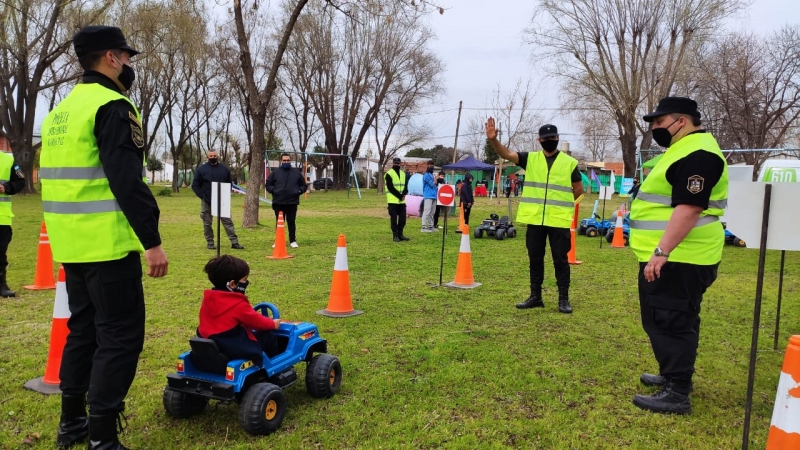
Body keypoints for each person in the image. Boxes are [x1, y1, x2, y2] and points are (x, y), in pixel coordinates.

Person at [39, 25, 169, 449]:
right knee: (120, 339)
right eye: (127, 57)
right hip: (109, 247)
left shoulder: (61, 112)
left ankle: (72, 425)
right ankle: (102, 438)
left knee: (84, 332)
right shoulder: (112, 105)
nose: (129, 65)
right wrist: (151, 241)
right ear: (111, 57)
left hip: (71, 245)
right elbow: (127, 180)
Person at [629, 97, 728, 415]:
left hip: (681, 256)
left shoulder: (699, 153)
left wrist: (662, 251)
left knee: (670, 320)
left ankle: (677, 392)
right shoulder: (684, 150)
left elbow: (690, 208)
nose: (656, 128)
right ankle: (673, 374)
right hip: (677, 255)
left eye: (659, 122)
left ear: (681, 121)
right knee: (668, 317)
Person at [485, 120, 583, 314]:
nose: (549, 141)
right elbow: (506, 154)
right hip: (535, 220)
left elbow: (578, 189)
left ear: (557, 138)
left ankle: (563, 299)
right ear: (539, 140)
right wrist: (494, 140)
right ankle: (535, 296)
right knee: (535, 259)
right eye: (546, 138)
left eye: (553, 138)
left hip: (558, 220)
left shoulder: (570, 163)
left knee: (561, 260)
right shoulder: (530, 158)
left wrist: (561, 205)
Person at [198, 255, 282, 366]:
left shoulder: (209, 299)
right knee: (268, 336)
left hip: (213, 343)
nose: (246, 283)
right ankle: (273, 366)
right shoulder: (238, 304)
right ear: (232, 284)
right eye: (244, 280)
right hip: (233, 346)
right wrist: (272, 323)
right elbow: (256, 321)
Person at [192, 151, 244, 250]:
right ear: (207, 157)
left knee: (227, 221)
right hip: (207, 200)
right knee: (207, 222)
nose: (213, 157)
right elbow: (195, 185)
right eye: (211, 156)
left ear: (217, 157)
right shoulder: (201, 169)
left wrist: (226, 194)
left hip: (222, 200)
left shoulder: (224, 169)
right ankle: (210, 243)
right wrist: (202, 196)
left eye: (215, 156)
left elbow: (229, 183)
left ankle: (234, 242)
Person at [265, 153, 308, 248]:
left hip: (292, 202)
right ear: (281, 161)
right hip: (278, 202)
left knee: (291, 221)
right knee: (279, 222)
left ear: (290, 161)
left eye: (288, 160)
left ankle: (292, 240)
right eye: (284, 160)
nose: (286, 162)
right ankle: (278, 241)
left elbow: (304, 185)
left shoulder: (296, 173)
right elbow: (268, 184)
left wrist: (299, 191)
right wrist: (274, 191)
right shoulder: (275, 173)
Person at [0, 152, 24, 298]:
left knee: (0, 252)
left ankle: (1, 284)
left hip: (1, 217)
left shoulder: (8, 160)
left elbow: (20, 181)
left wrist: (5, 187)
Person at [385, 157, 410, 242]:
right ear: (393, 163)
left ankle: (401, 234)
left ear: (400, 164)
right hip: (393, 201)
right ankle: (395, 235)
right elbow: (390, 187)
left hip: (401, 201)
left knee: (403, 219)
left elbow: (406, 186)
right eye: (395, 163)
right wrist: (399, 196)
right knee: (394, 219)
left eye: (398, 163)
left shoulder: (403, 174)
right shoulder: (389, 174)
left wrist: (404, 194)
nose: (396, 165)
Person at [421, 160, 438, 232]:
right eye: (430, 165)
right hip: (428, 195)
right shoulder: (426, 175)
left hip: (434, 195)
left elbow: (435, 184)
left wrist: (435, 180)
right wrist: (435, 179)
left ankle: (431, 226)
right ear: (427, 166)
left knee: (432, 212)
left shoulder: (431, 175)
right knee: (427, 211)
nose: (432, 167)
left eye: (432, 166)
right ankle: (423, 227)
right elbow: (431, 184)